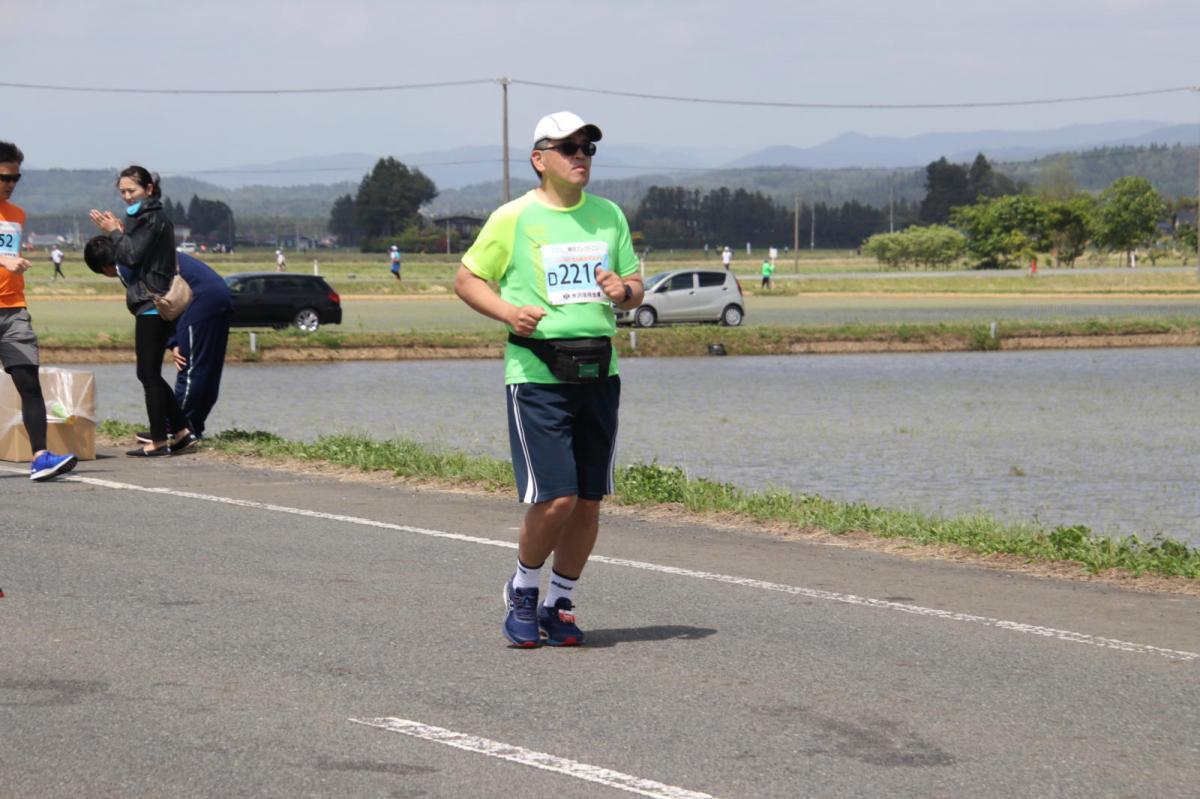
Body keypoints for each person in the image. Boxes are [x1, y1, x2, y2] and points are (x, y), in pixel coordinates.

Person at [454, 111, 643, 648]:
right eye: (568, 148)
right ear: (540, 159)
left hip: (599, 371)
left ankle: (560, 600)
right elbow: (468, 280)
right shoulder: (513, 217)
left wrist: (621, 293)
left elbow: (635, 286)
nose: (581, 155)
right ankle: (523, 588)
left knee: (588, 500)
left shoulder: (608, 216)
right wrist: (509, 312)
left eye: (588, 148)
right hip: (537, 374)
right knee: (555, 498)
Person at [89, 167, 195, 457]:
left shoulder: (150, 218)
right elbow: (135, 252)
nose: (126, 196)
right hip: (151, 299)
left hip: (151, 301)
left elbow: (131, 255)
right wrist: (120, 232)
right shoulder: (144, 217)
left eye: (131, 191)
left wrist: (113, 233)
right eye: (122, 191)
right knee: (149, 373)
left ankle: (160, 440)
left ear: (148, 189)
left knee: (147, 373)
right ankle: (183, 431)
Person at [84, 237, 231, 441]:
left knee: (190, 369)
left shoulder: (126, 267)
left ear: (104, 268)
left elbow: (156, 303)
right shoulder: (138, 250)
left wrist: (174, 342)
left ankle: (178, 428)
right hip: (217, 294)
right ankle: (192, 427)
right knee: (207, 369)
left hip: (199, 298)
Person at [0, 141, 78, 481]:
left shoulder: (17, 215)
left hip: (13, 309)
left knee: (28, 380)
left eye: (16, 178)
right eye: (4, 177)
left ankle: (41, 457)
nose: (10, 184)